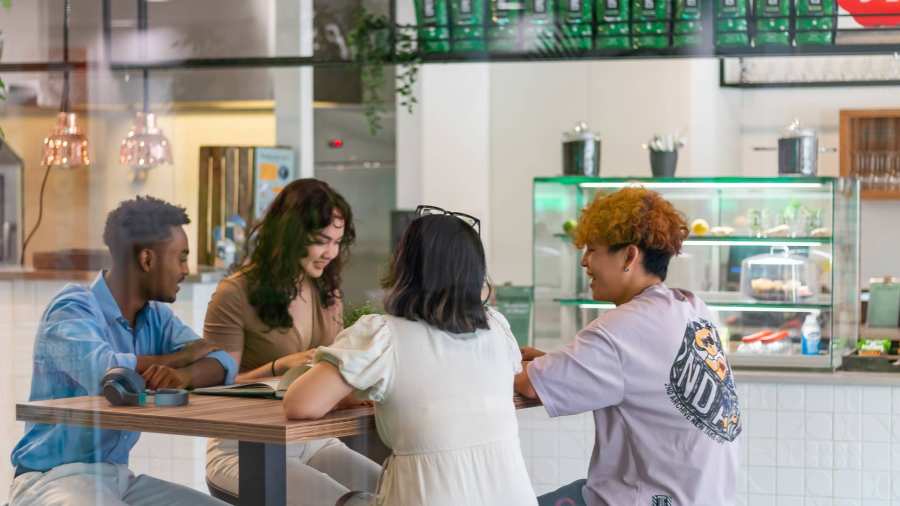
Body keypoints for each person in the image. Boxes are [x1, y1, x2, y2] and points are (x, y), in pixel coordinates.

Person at [282, 205, 538, 506]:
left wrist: (350, 393)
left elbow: (300, 404)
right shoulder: (496, 328)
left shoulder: (383, 335)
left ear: (404, 267)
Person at [515, 187, 742, 506]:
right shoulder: (690, 306)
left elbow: (528, 386)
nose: (584, 261)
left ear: (630, 256)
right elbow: (638, 369)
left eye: (593, 249)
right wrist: (558, 362)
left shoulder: (622, 328)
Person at [9, 196, 237, 506]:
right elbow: (108, 372)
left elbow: (221, 361)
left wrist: (181, 376)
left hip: (115, 477)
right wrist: (182, 357)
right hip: (51, 479)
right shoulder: (72, 308)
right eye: (181, 258)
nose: (185, 269)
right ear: (147, 260)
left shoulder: (156, 316)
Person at [203, 179, 381, 506]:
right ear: (290, 236)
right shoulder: (235, 293)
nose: (331, 253)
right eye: (321, 241)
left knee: (398, 492)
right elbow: (212, 387)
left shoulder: (327, 292)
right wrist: (278, 366)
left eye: (338, 242)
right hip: (244, 449)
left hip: (315, 441)